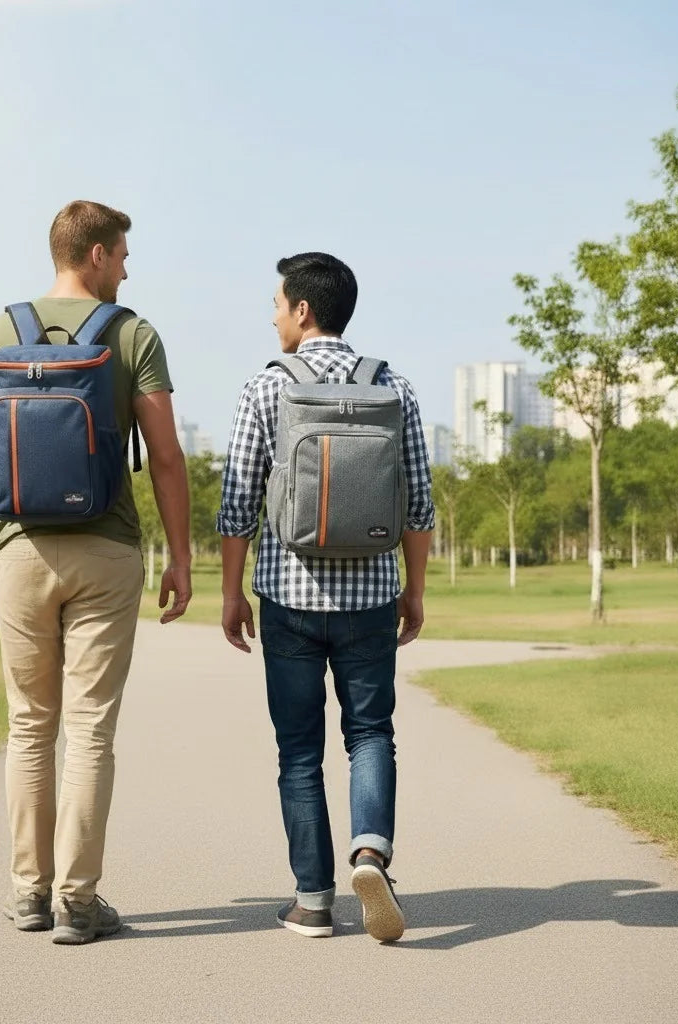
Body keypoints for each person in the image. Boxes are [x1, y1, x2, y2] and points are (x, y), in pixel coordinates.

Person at [0, 200, 192, 945]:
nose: (126, 268)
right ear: (93, 255)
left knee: (30, 727)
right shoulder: (133, 335)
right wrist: (181, 557)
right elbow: (168, 456)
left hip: (19, 551)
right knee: (89, 729)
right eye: (121, 255)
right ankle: (78, 905)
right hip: (108, 550)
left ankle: (29, 894)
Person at [216, 251, 433, 941]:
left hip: (289, 598)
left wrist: (231, 593)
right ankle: (371, 850)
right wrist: (414, 592)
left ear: (303, 310)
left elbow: (237, 502)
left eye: (278, 303)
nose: (273, 315)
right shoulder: (394, 386)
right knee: (370, 733)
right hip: (371, 595)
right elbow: (419, 506)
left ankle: (313, 901)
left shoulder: (264, 388)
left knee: (299, 752)